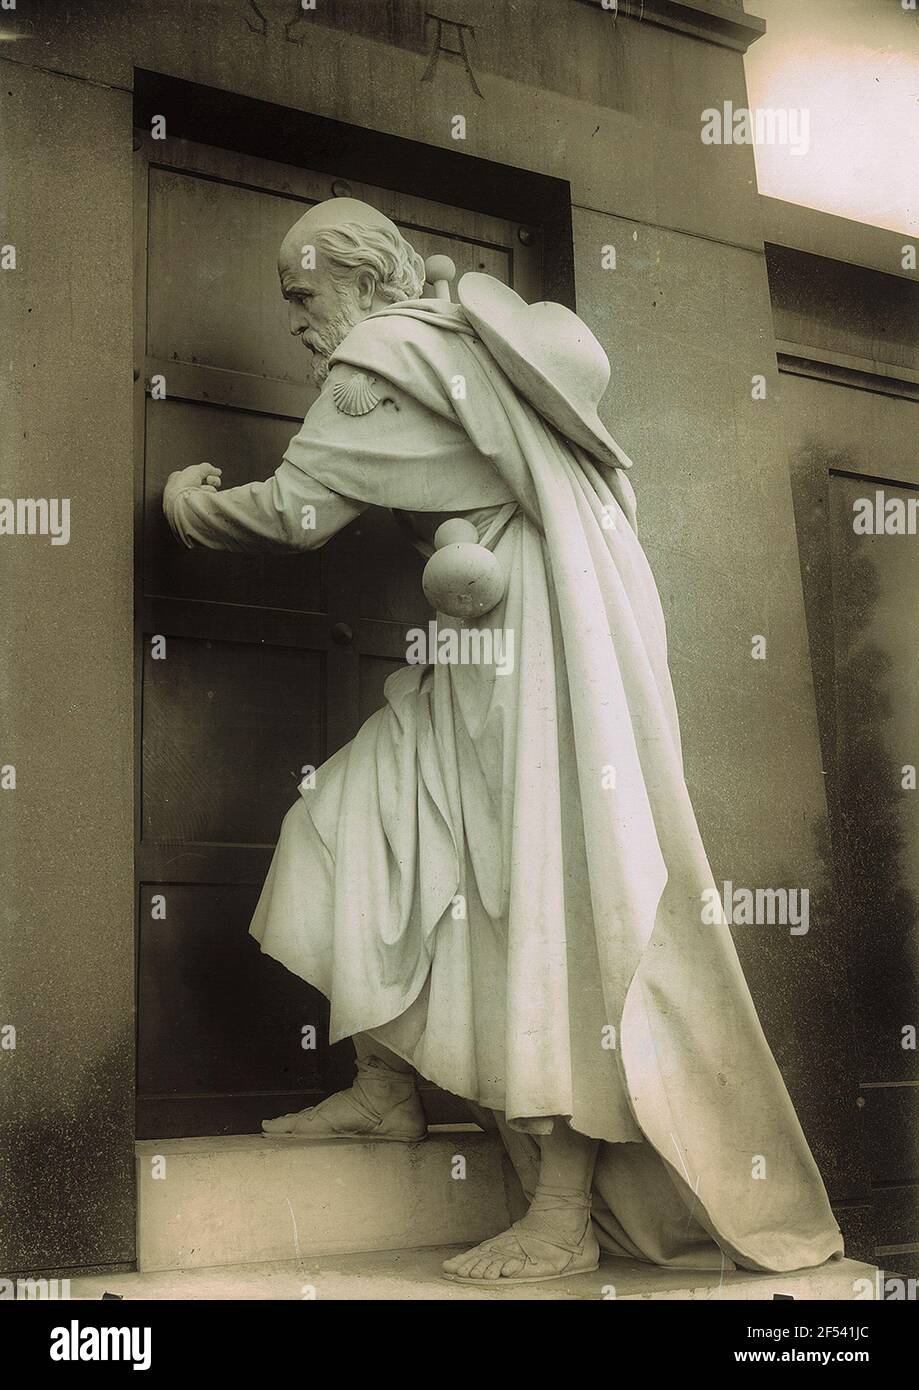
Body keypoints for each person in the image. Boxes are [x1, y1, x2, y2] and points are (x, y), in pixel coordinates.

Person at [164, 197, 842, 1285]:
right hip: (498, 643)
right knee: (345, 816)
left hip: (526, 653)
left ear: (359, 280)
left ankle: (563, 1212)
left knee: (545, 906)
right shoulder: (450, 343)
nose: (294, 321)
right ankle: (387, 1090)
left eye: (301, 295)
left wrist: (188, 504)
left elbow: (294, 511)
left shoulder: (382, 356)